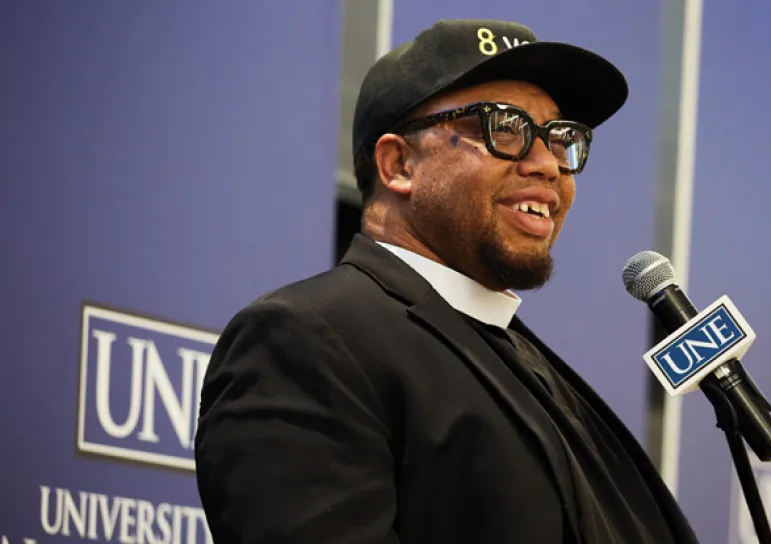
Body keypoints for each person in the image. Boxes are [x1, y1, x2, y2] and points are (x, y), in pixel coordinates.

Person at [194, 18, 699, 544]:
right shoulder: (306, 340)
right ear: (399, 164)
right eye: (505, 127)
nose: (549, 165)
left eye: (560, 139)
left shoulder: (525, 359)